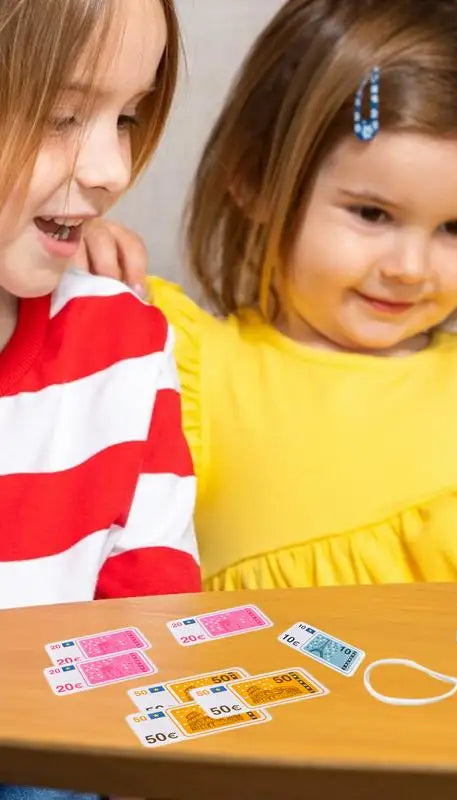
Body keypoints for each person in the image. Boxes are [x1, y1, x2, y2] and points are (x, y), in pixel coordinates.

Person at [81, 0, 457, 594]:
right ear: (255, 178)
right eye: (372, 214)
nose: (410, 268)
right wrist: (75, 244)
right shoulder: (189, 368)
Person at [0, 0, 200, 794]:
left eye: (128, 117)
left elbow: (153, 617)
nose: (115, 168)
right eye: (63, 115)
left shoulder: (126, 345)